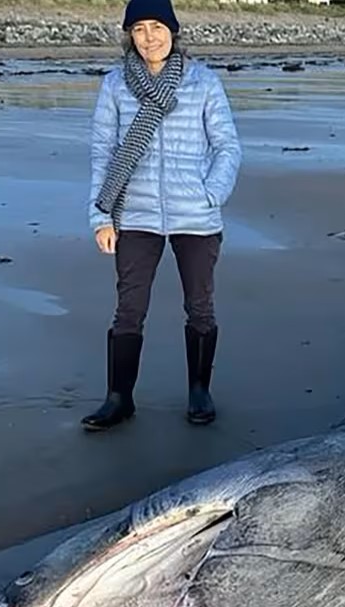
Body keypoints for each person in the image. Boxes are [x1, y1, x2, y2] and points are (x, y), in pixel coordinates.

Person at [81, 0, 242, 432]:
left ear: (173, 30)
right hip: (134, 215)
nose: (149, 37)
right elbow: (103, 152)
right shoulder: (116, 85)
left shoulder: (202, 83)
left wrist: (211, 194)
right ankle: (118, 398)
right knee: (128, 310)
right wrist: (101, 216)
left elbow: (227, 146)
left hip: (197, 216)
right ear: (129, 36)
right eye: (138, 29)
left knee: (200, 307)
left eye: (156, 26)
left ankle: (199, 390)